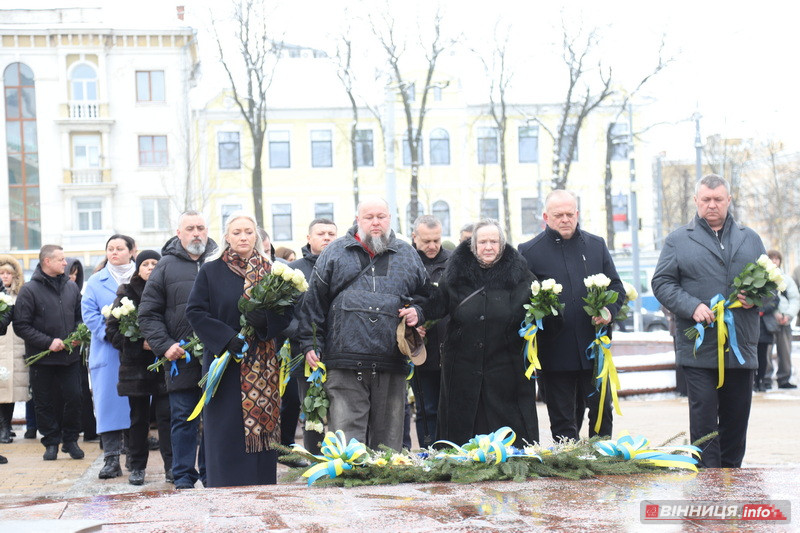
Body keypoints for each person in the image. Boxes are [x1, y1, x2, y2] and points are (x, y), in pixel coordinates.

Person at [296, 198, 428, 451]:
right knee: (347, 445)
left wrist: (418, 312)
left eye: (381, 216)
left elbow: (425, 296)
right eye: (369, 217)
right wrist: (310, 343)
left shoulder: (407, 254)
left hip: (391, 361)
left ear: (390, 219)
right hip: (344, 362)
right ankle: (347, 478)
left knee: (388, 446)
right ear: (358, 220)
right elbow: (314, 303)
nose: (375, 222)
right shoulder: (335, 252)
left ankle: (384, 479)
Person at [652, 174, 765, 468]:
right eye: (706, 200)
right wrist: (692, 306)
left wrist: (757, 299)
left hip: (740, 346)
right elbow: (662, 283)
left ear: (728, 200)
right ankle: (708, 482)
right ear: (696, 201)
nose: (712, 205)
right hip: (698, 347)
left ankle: (732, 478)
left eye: (718, 199)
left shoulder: (750, 239)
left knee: (736, 419)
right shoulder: (678, 240)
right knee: (703, 421)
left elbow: (770, 285)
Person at [186, 212, 292, 487]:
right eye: (237, 232)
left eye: (248, 232)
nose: (243, 237)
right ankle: (224, 487)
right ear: (226, 237)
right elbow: (195, 311)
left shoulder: (271, 271)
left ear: (256, 236)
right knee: (226, 430)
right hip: (225, 364)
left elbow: (286, 314)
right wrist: (226, 338)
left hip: (262, 365)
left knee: (262, 431)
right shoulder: (211, 270)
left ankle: (261, 487)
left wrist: (265, 321)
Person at [518, 189, 624, 441]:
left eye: (570, 214)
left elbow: (616, 286)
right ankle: (568, 461)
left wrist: (609, 311)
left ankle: (603, 457)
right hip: (555, 351)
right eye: (558, 215)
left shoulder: (596, 245)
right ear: (546, 217)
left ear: (577, 214)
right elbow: (521, 299)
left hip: (594, 347)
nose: (565, 219)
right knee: (563, 419)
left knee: (602, 411)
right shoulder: (529, 251)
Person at [420, 219, 538, 445]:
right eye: (483, 242)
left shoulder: (521, 275)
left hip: (506, 369)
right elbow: (436, 305)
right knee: (463, 436)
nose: (488, 247)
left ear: (502, 244)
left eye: (494, 241)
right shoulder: (456, 272)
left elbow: (542, 315)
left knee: (508, 436)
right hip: (462, 368)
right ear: (473, 245)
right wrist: (418, 314)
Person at [139, 210, 217, 489]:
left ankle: (212, 474)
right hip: (181, 357)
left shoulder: (219, 261)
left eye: (201, 228)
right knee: (183, 418)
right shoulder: (165, 266)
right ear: (179, 233)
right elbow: (148, 314)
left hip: (217, 357)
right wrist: (165, 346)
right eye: (190, 228)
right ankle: (183, 476)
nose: (196, 233)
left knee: (214, 419)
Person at [106, 250, 173, 485]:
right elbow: (112, 330)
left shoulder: (168, 290)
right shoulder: (126, 293)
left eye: (155, 263)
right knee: (138, 419)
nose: (151, 267)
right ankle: (137, 467)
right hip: (136, 369)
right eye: (146, 264)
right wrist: (137, 344)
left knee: (166, 418)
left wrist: (162, 343)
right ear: (138, 268)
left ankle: (171, 467)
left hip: (164, 365)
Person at [13, 245, 84, 461]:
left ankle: (70, 440)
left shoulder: (71, 288)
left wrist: (78, 334)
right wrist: (48, 342)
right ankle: (51, 442)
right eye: (61, 259)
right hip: (42, 359)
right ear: (47, 262)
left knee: (75, 397)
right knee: (44, 402)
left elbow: (80, 317)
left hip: (69, 357)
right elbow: (21, 325)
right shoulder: (29, 290)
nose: (65, 263)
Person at [82, 235, 136, 479]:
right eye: (110, 249)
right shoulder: (96, 280)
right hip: (107, 349)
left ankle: (134, 456)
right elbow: (89, 313)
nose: (114, 252)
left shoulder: (141, 277)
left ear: (131, 251)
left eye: (119, 248)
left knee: (136, 404)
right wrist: (109, 334)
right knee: (108, 404)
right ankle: (111, 458)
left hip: (136, 350)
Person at [282, 218, 337, 455]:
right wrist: (306, 339)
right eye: (321, 233)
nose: (327, 238)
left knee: (341, 412)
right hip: (305, 354)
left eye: (331, 234)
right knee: (312, 412)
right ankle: (316, 461)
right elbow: (282, 314)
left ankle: (341, 460)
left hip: (339, 352)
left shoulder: (345, 266)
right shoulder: (294, 270)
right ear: (308, 238)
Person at [410, 215, 450, 447]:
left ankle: (453, 455)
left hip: (451, 349)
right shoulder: (405, 263)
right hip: (420, 351)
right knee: (427, 408)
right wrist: (411, 325)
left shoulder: (454, 263)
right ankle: (429, 453)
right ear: (414, 237)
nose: (432, 246)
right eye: (426, 241)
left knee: (451, 407)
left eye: (436, 240)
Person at [0, 255, 29, 444]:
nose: (5, 276)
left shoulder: (20, 296)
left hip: (16, 348)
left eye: (8, 273)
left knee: (11, 390)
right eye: (1, 273)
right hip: (1, 347)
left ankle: (6, 426)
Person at [764, 250, 798, 389]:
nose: (774, 261)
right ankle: (765, 378)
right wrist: (774, 314)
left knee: (785, 351)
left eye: (777, 258)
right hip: (767, 320)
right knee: (766, 351)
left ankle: (784, 378)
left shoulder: (787, 279)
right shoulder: (763, 278)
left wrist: (788, 315)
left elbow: (795, 299)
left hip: (785, 320)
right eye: (771, 258)